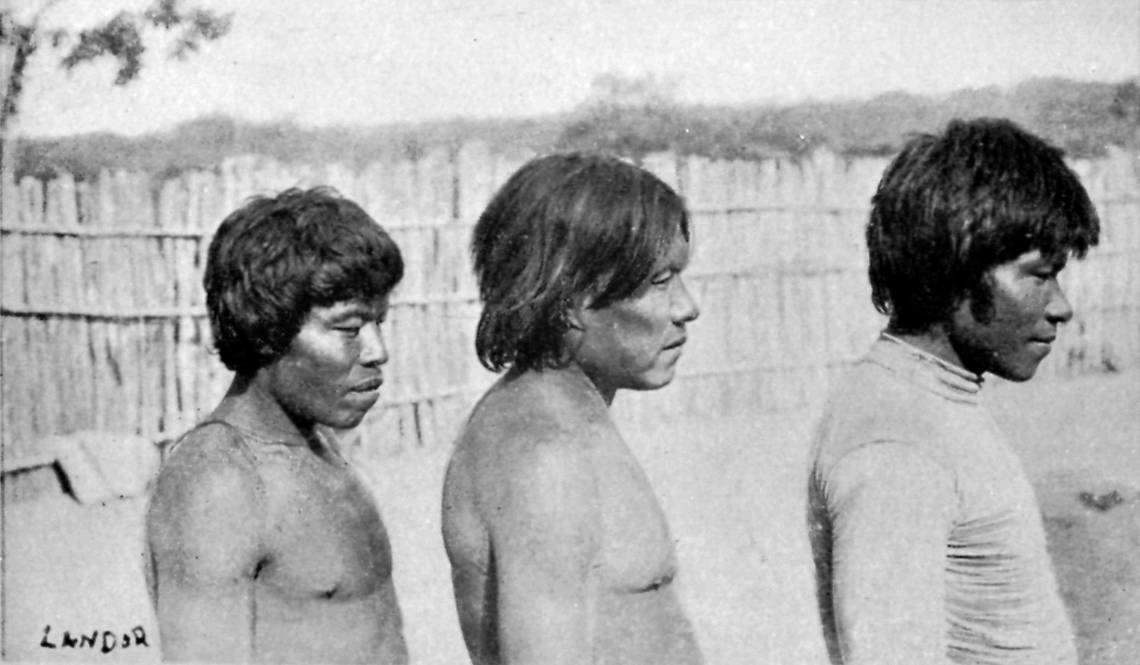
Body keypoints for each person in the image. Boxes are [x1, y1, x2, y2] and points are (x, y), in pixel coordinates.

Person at [807, 118, 1100, 665]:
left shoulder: (930, 401)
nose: (1061, 307)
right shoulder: (897, 444)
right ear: (955, 268)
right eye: (1039, 275)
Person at [441, 153, 704, 665]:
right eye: (660, 281)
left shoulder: (561, 423)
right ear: (570, 300)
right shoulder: (546, 458)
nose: (686, 306)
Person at [145, 187, 408, 664]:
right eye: (349, 329)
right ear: (268, 329)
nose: (377, 351)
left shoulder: (313, 446)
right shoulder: (218, 480)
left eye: (379, 323)